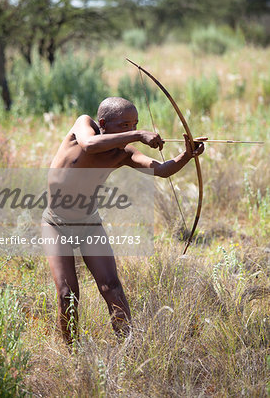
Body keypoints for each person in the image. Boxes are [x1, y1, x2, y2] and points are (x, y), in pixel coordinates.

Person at [41, 97, 205, 344]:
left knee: (111, 287)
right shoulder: (84, 126)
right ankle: (73, 357)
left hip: (88, 223)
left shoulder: (123, 152)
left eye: (134, 124)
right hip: (56, 223)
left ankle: (129, 348)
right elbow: (89, 145)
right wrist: (139, 134)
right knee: (67, 295)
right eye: (124, 124)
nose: (130, 130)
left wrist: (186, 155)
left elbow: (160, 169)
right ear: (103, 123)